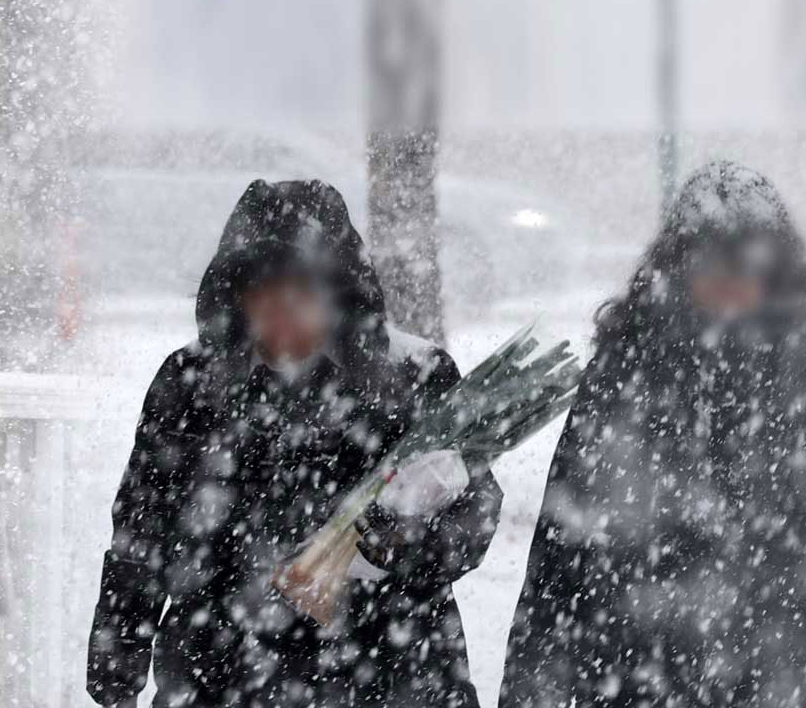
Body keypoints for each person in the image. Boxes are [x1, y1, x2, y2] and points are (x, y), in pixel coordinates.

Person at [499, 162, 806, 708]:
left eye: (744, 268)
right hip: (631, 683)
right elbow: (558, 572)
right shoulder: (628, 375)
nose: (728, 288)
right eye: (711, 267)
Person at [86, 179, 502, 707]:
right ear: (234, 294)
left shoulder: (415, 377)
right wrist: (117, 659)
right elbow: (143, 524)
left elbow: (474, 510)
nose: (282, 308)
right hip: (221, 669)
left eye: (304, 288)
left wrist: (396, 541)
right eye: (261, 288)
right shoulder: (190, 383)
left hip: (387, 668)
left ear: (342, 294)